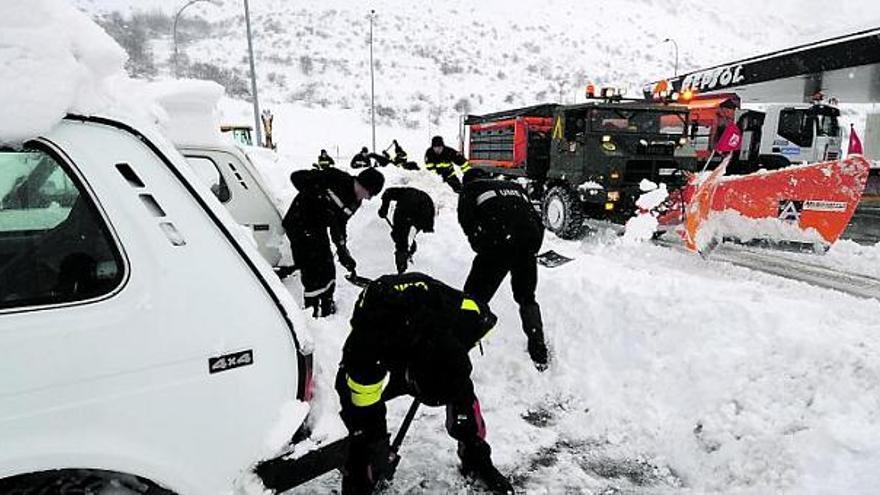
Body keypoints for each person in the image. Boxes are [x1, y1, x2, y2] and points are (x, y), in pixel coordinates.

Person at [336, 272, 514, 494]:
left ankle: (475, 454)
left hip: (437, 327)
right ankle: (363, 471)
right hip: (382, 320)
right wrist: (376, 447)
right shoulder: (368, 348)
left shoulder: (471, 317)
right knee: (360, 415)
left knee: (459, 388)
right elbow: (364, 405)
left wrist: (456, 357)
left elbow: (481, 326)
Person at [457, 168, 549, 370]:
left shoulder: (470, 189)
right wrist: (532, 248)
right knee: (526, 297)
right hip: (527, 243)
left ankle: (457, 347)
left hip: (498, 244)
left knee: (473, 298)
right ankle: (538, 348)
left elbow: (467, 223)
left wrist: (484, 248)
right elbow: (537, 220)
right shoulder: (515, 187)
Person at [282, 167, 385, 317]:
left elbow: (340, 224)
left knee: (328, 266)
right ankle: (312, 310)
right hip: (300, 223)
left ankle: (326, 303)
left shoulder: (355, 203)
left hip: (318, 227)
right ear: (363, 185)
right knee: (313, 267)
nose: (369, 198)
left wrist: (342, 249)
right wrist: (318, 196)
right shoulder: (335, 177)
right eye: (370, 193)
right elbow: (296, 176)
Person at [377, 187, 435, 273]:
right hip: (427, 205)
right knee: (405, 238)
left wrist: (384, 208)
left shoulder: (403, 192)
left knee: (402, 243)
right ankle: (406, 256)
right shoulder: (406, 193)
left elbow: (387, 193)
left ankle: (401, 271)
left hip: (412, 208)